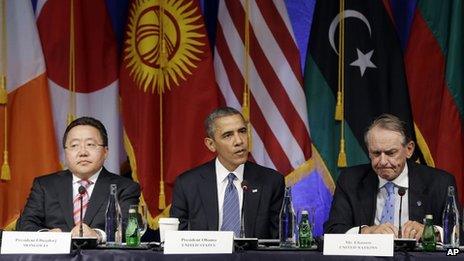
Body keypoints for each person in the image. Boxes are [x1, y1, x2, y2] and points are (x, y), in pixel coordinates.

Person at [324, 114, 457, 240]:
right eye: (376, 153)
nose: (382, 161)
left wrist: (432, 232)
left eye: (390, 153)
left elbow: (459, 231)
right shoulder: (350, 180)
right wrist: (366, 231)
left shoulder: (440, 182)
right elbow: (332, 230)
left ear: (409, 150)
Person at [16, 117, 140, 242]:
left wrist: (98, 235)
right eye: (74, 145)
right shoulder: (44, 186)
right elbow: (25, 224)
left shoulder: (125, 188)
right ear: (65, 152)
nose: (82, 152)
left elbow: (130, 227)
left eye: (90, 144)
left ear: (105, 152)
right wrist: (46, 236)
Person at [170, 107, 285, 239]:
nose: (239, 141)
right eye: (228, 135)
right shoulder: (187, 184)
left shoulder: (271, 182)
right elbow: (177, 240)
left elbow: (278, 242)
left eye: (242, 131)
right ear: (211, 144)